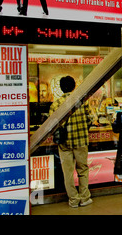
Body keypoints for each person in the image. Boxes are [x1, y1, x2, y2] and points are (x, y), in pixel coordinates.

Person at [49, 75, 93, 208]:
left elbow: (52, 125)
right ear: (74, 86)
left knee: (67, 173)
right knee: (83, 169)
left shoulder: (55, 104)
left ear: (61, 88)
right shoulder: (82, 101)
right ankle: (84, 198)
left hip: (64, 144)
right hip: (81, 141)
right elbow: (90, 118)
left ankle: (73, 200)